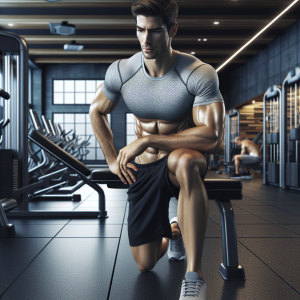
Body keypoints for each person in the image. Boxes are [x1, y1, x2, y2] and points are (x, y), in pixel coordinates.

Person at [89, 0, 225, 299]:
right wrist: (112, 159)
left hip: (181, 162)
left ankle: (194, 276)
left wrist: (149, 140)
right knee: (145, 264)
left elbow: (213, 138)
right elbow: (96, 111)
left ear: (172, 29)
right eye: (140, 30)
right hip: (145, 169)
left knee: (185, 161)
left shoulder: (197, 73)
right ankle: (174, 232)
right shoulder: (123, 71)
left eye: (155, 31)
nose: (146, 40)